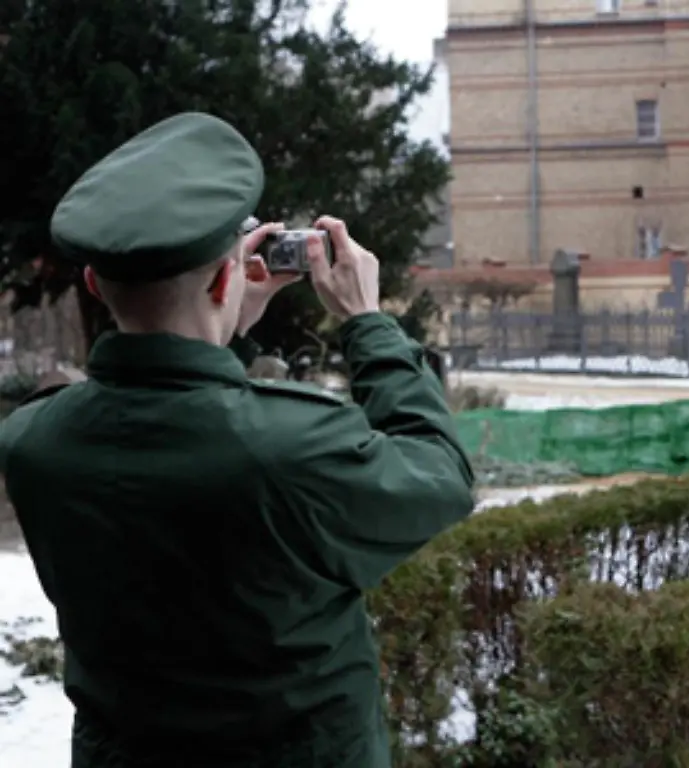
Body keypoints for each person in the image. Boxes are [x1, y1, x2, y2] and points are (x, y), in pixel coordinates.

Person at [0, 112, 475, 768]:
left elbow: (171, 427)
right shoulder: (291, 449)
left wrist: (222, 327)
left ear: (92, 283)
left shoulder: (33, 442)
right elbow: (440, 476)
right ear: (228, 279)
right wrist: (368, 323)